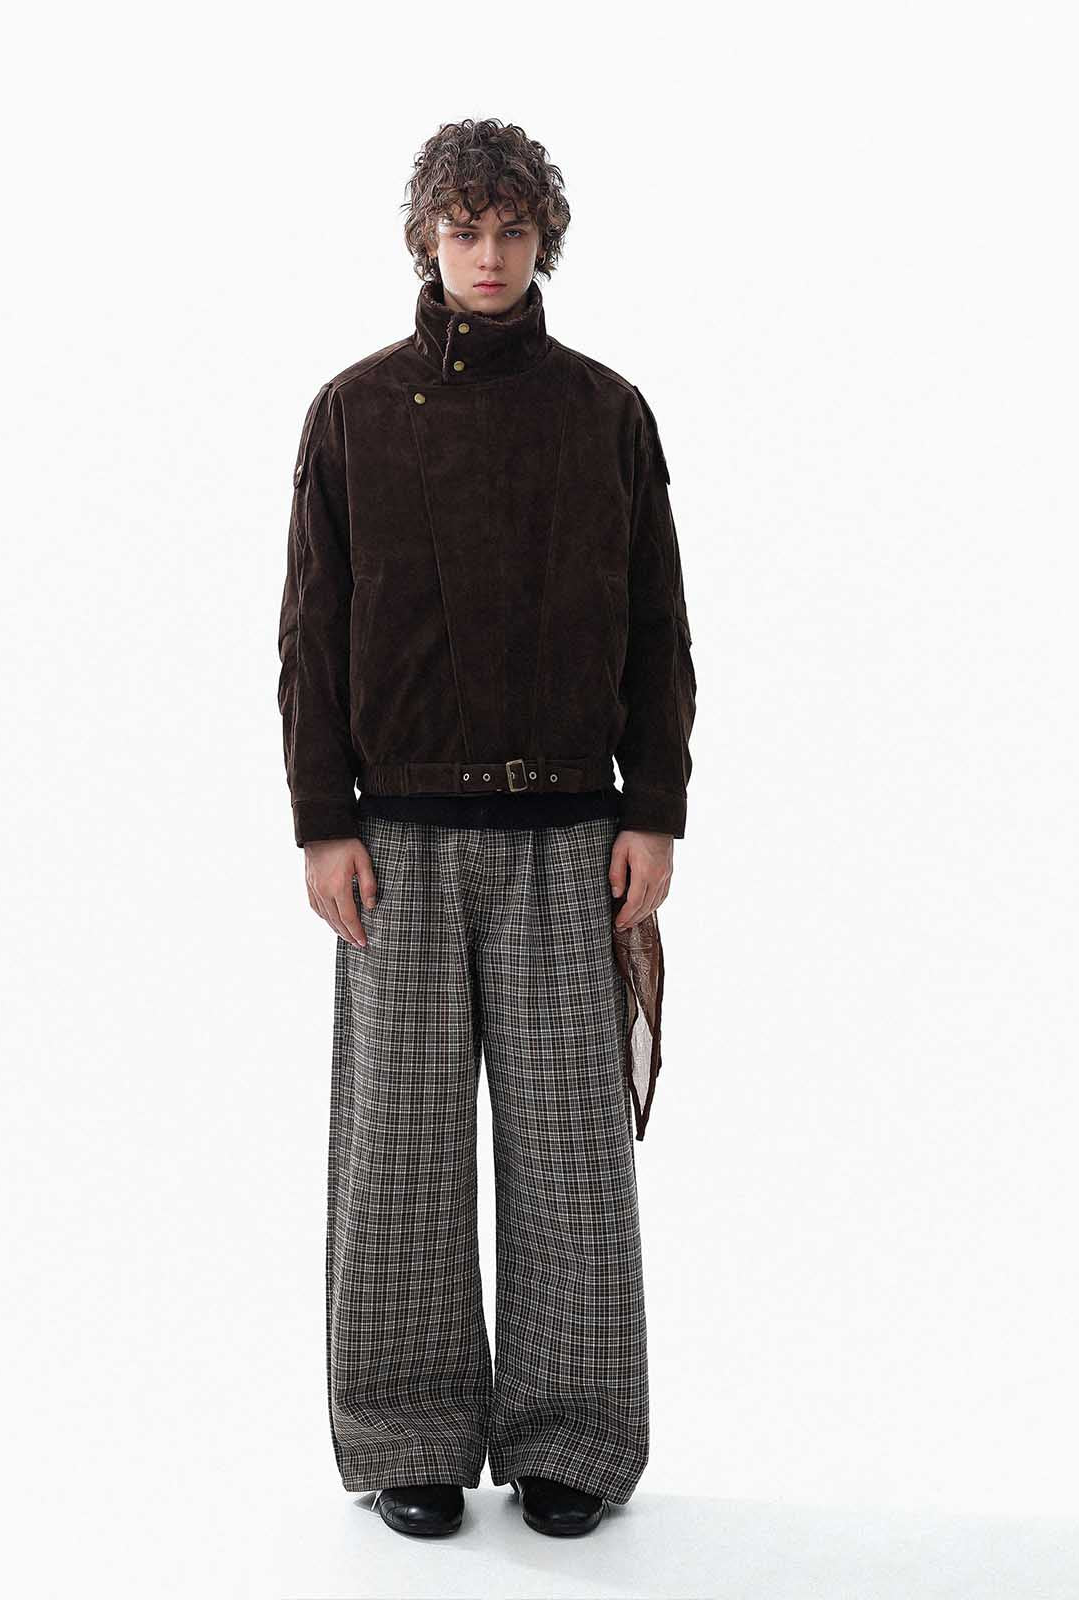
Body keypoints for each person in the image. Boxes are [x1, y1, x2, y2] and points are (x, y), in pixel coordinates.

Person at [277, 118, 696, 1540]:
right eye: (467, 230)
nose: (491, 255)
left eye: (515, 230)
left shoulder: (607, 413)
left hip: (573, 829)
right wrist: (322, 823)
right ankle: (409, 1433)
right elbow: (310, 629)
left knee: (573, 1142)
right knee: (397, 1147)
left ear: (544, 240)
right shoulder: (351, 413)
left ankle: (573, 1432)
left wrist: (654, 810)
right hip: (393, 834)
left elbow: (657, 627)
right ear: (428, 238)